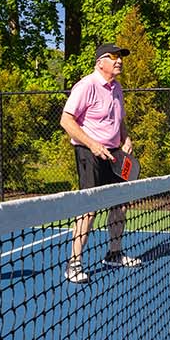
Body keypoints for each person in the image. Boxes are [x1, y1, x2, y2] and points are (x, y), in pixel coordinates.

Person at [60, 43, 141, 283]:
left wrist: (126, 138)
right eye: (114, 57)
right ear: (100, 62)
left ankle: (114, 253)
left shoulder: (117, 88)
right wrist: (93, 144)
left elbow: (119, 121)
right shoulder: (86, 86)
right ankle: (74, 263)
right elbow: (66, 120)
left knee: (120, 205)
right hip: (89, 153)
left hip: (116, 155)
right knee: (89, 209)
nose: (119, 61)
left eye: (121, 57)